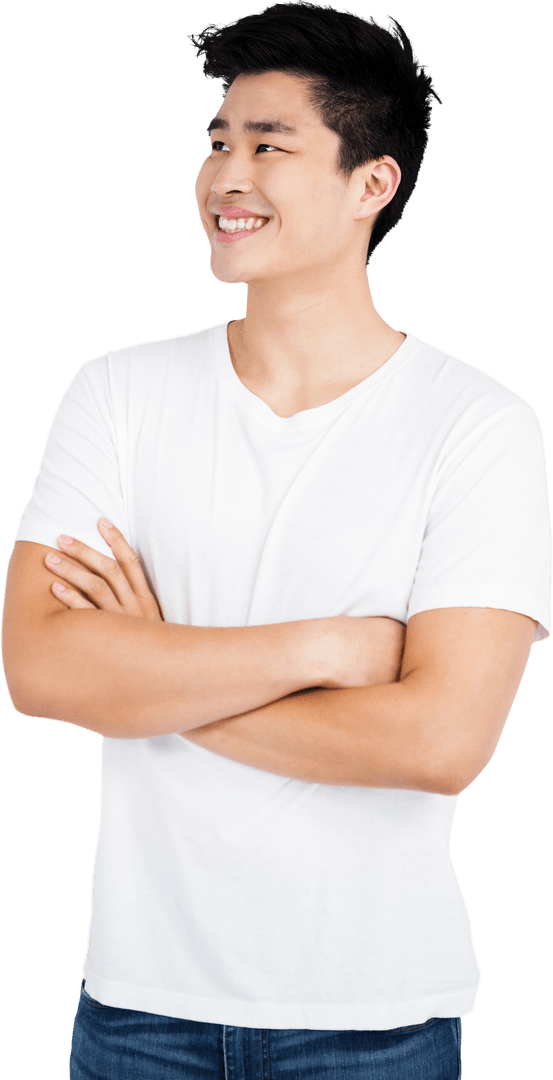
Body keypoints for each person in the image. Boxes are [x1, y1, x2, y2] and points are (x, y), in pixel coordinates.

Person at [2, 2, 551, 1077]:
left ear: (371, 184)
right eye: (216, 142)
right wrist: (326, 650)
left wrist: (154, 674)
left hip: (376, 1020)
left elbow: (438, 743)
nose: (224, 176)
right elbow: (39, 669)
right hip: (134, 1010)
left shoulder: (477, 424)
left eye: (269, 144)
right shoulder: (115, 394)